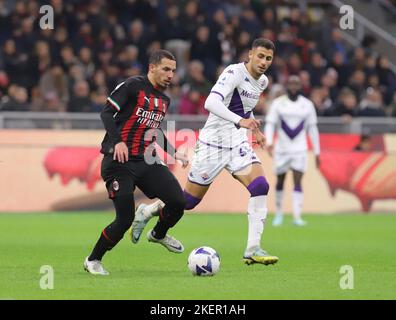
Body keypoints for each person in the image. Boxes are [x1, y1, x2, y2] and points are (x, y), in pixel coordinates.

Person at [132, 38, 279, 266]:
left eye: (268, 58)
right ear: (250, 54)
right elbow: (211, 103)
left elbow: (243, 108)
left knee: (260, 186)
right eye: (260, 56)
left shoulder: (262, 82)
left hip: (238, 143)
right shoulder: (234, 73)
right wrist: (241, 121)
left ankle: (252, 249)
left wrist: (253, 128)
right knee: (187, 202)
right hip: (213, 145)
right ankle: (149, 211)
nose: (263, 62)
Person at [84, 50, 189, 276]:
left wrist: (174, 153)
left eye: (173, 70)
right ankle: (93, 259)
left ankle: (158, 234)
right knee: (124, 220)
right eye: (166, 69)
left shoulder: (164, 100)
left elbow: (155, 129)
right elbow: (106, 113)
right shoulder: (132, 86)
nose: (171, 74)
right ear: (152, 68)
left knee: (178, 202)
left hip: (145, 159)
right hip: (118, 162)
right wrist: (118, 142)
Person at [265, 76, 320, 227]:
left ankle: (297, 216)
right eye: (291, 84)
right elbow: (270, 124)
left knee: (298, 180)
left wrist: (317, 151)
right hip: (282, 149)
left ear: (300, 86)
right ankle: (278, 214)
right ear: (287, 85)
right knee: (280, 180)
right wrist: (269, 142)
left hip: (299, 149)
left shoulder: (307, 105)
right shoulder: (278, 103)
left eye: (297, 84)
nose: (294, 87)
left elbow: (313, 129)